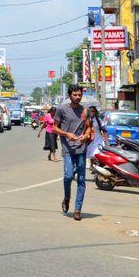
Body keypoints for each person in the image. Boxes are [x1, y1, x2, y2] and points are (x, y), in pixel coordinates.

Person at [53, 86, 92, 221]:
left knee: (81, 180)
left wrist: (85, 136)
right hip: (68, 149)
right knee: (68, 176)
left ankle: (77, 209)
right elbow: (54, 128)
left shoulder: (85, 110)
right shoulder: (61, 109)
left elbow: (88, 128)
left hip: (81, 148)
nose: (77, 97)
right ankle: (67, 196)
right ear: (70, 96)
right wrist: (67, 134)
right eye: (75, 95)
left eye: (79, 95)